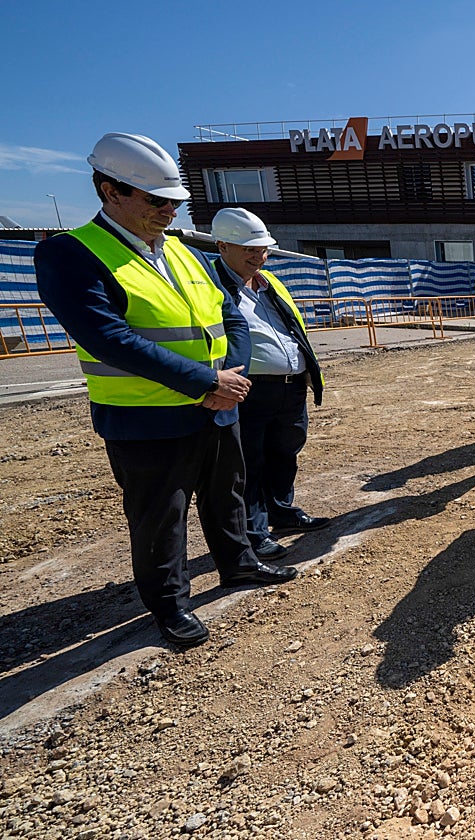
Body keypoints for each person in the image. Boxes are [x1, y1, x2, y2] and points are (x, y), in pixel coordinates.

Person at [33, 133, 296, 649]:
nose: (169, 210)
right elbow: (109, 338)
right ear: (110, 191)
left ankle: (239, 564)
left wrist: (231, 379)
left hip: (218, 406)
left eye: (175, 201)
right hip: (148, 418)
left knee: (229, 496)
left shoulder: (178, 251)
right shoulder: (71, 254)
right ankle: (170, 605)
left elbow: (227, 315)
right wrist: (205, 382)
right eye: (157, 200)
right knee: (161, 517)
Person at [208, 208, 330, 561]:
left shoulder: (269, 282)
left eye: (262, 250)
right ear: (222, 246)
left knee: (284, 453)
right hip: (249, 390)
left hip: (289, 387)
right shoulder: (214, 286)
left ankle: (282, 511)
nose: (258, 257)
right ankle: (254, 532)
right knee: (249, 463)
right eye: (249, 250)